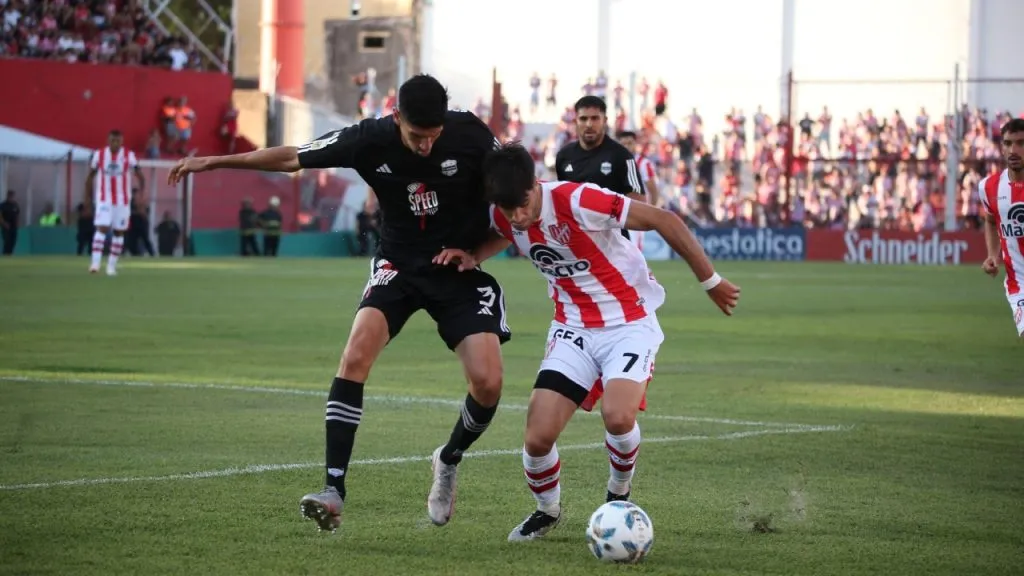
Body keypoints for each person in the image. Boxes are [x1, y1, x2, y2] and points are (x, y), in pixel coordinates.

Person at [167, 74, 511, 532]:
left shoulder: (470, 134)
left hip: (457, 269)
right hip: (398, 266)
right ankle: (333, 490)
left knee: (487, 383)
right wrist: (214, 162)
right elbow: (292, 156)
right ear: (396, 118)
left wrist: (477, 253)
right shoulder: (368, 138)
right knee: (355, 355)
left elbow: (516, 193)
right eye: (415, 137)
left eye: (433, 138)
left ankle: (448, 459)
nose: (425, 147)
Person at [433, 143, 740, 541]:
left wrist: (711, 282)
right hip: (572, 329)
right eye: (509, 211)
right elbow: (505, 232)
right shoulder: (504, 213)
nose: (519, 217)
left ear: (535, 183)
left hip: (628, 322)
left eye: (523, 205)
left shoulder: (578, 200)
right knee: (537, 438)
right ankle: (547, 511)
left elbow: (665, 220)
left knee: (617, 416)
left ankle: (619, 492)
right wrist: (475, 255)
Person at [556, 96, 646, 241]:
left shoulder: (622, 156)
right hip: (577, 241)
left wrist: (604, 214)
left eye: (595, 118)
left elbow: (640, 200)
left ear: (605, 121)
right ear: (575, 121)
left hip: (614, 243)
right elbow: (561, 198)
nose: (589, 124)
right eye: (583, 119)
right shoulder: (564, 156)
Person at [980, 118, 1024, 338]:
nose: (1013, 150)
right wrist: (992, 255)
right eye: (1008, 143)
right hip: (1019, 283)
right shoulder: (989, 187)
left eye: (1021, 143)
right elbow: (990, 219)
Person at [85, 129, 145, 275]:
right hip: (104, 199)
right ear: (108, 140)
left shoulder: (128, 156)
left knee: (119, 232)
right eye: (113, 140)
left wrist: (141, 197)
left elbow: (140, 176)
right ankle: (95, 264)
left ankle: (111, 266)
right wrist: (87, 199)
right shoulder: (99, 155)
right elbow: (90, 177)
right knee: (102, 228)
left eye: (118, 140)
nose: (115, 143)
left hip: (123, 201)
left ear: (122, 141)